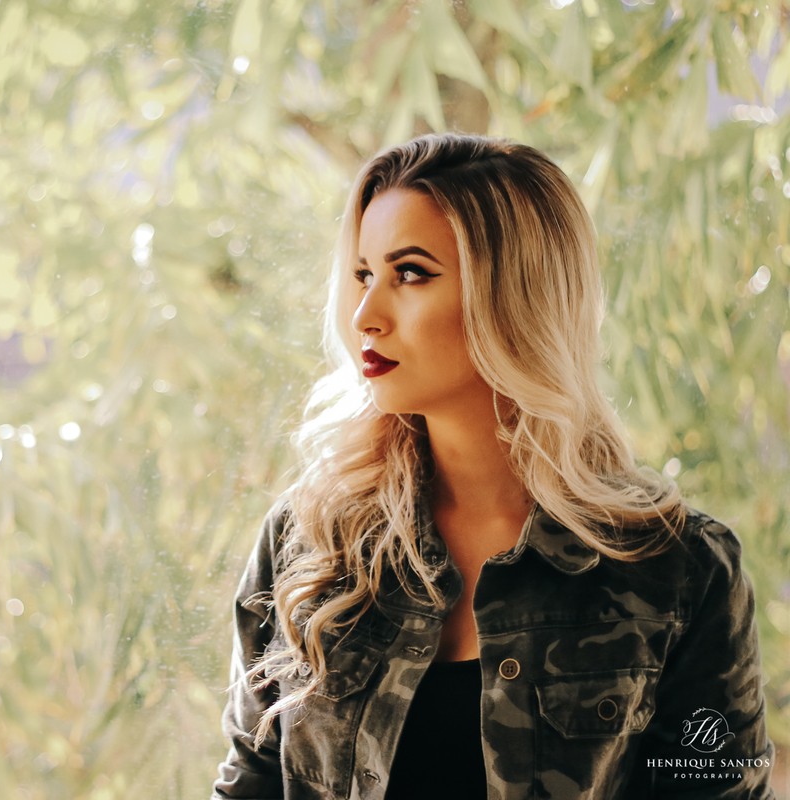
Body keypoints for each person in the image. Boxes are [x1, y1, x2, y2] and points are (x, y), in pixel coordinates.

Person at [211, 133, 777, 799]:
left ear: (514, 295)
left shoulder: (678, 570)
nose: (366, 314)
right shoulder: (307, 543)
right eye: (364, 274)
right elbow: (249, 782)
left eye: (410, 273)